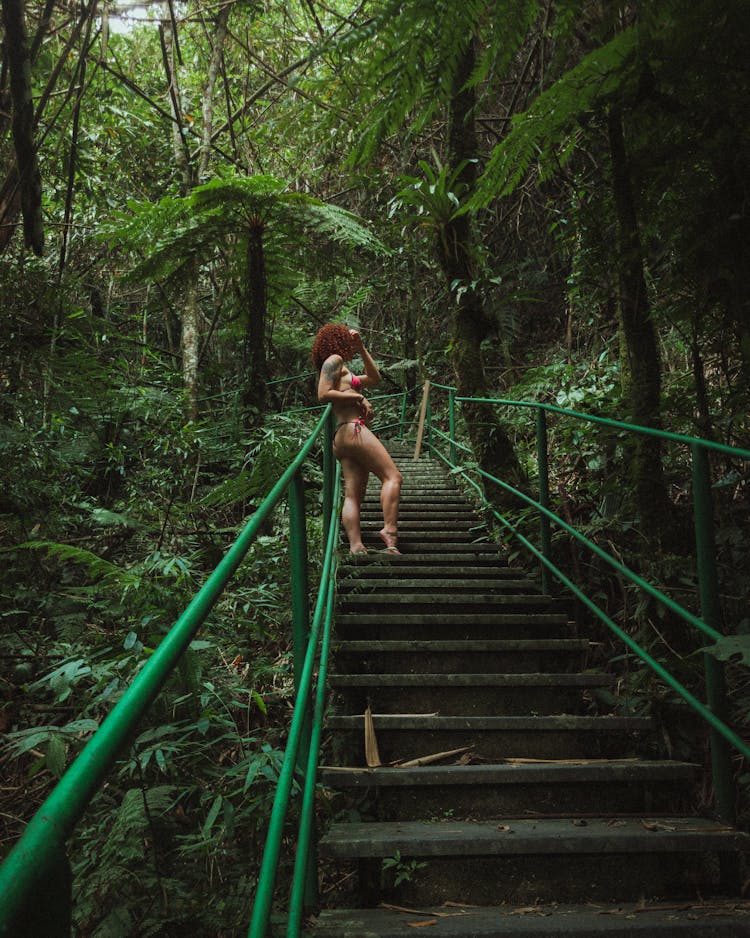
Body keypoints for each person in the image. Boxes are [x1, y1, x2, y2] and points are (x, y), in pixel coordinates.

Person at [312, 323, 402, 555]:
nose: (351, 343)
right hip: (353, 430)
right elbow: (323, 394)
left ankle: (356, 546)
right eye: (348, 339)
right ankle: (389, 533)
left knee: (354, 493)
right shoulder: (333, 360)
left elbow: (374, 377)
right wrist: (359, 398)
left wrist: (362, 348)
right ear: (338, 340)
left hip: (343, 435)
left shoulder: (344, 371)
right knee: (392, 476)